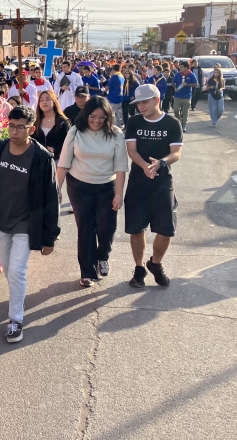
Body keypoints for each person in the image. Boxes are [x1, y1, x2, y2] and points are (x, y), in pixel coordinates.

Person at [0, 106, 59, 343]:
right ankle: (17, 299)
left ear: (31, 129)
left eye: (20, 127)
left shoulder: (42, 158)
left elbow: (50, 199)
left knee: (17, 270)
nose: (14, 131)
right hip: (1, 221)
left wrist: (50, 237)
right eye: (11, 126)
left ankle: (15, 319)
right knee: (7, 267)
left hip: (26, 223)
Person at [56, 96, 128, 286]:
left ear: (108, 117)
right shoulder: (75, 131)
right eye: (93, 116)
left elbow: (121, 167)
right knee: (86, 227)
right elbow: (63, 163)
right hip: (79, 185)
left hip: (107, 184)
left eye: (102, 117)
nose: (96, 121)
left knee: (107, 226)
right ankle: (87, 271)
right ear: (86, 115)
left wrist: (119, 194)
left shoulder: (116, 134)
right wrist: (57, 188)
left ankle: (103, 255)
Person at [124, 84, 183, 289]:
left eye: (144, 102)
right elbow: (131, 150)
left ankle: (155, 264)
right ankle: (139, 268)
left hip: (163, 182)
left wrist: (161, 162)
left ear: (157, 100)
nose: (141, 106)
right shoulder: (133, 122)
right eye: (138, 102)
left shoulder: (172, 123)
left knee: (167, 229)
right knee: (136, 227)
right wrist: (145, 166)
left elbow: (176, 152)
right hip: (138, 181)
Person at [32, 91, 70, 163]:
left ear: (54, 101)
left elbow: (69, 143)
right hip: (38, 160)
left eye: (48, 99)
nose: (44, 102)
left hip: (57, 161)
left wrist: (56, 150)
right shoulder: (35, 121)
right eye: (41, 100)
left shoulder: (63, 122)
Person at [172, 62, 197, 132]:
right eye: (180, 66)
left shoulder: (191, 75)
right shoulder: (178, 74)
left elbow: (195, 84)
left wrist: (187, 84)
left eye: (182, 67)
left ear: (186, 67)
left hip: (187, 96)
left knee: (185, 112)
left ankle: (184, 125)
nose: (180, 68)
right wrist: (174, 87)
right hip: (177, 96)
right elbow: (173, 82)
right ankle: (179, 121)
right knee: (176, 110)